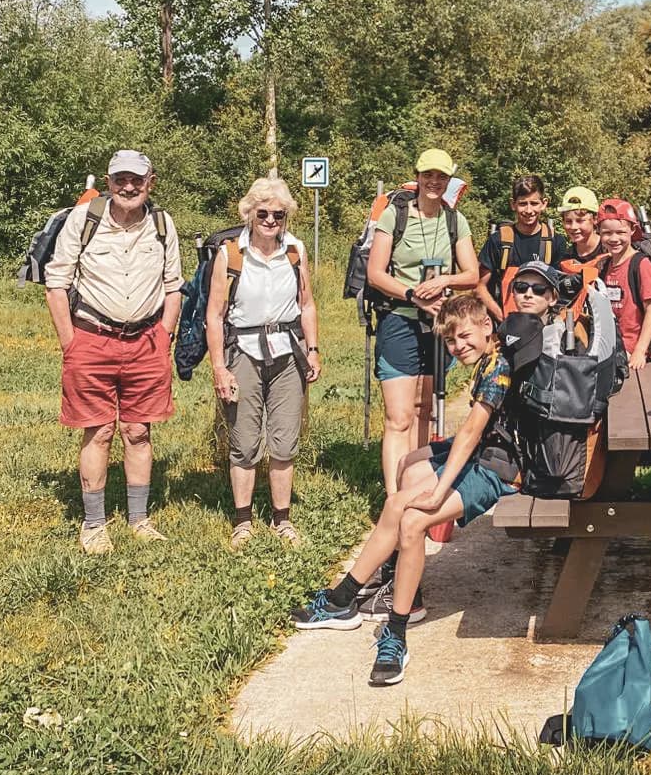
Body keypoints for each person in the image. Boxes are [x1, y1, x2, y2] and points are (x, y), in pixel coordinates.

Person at [289, 293, 537, 686]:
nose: (458, 346)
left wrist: (439, 490)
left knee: (412, 520)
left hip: (498, 469)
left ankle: (397, 631)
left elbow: (473, 431)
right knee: (407, 466)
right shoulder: (491, 355)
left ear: (488, 327)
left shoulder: (499, 369)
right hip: (484, 451)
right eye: (451, 341)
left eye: (464, 336)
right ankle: (353, 594)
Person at [44, 150, 182, 554]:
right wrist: (70, 341)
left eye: (137, 179)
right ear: (109, 181)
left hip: (146, 342)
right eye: (120, 178)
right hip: (91, 339)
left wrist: (165, 335)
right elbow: (56, 282)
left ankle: (140, 519)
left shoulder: (161, 223)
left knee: (139, 431)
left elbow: (174, 285)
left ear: (150, 182)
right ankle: (94, 524)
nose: (128, 186)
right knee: (99, 430)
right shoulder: (84, 220)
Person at [206, 177, 321, 549]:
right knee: (243, 441)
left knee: (285, 441)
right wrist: (219, 368)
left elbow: (307, 304)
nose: (271, 220)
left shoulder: (295, 250)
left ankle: (281, 520)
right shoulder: (231, 254)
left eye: (279, 214)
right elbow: (215, 315)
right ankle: (243, 521)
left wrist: (314, 349)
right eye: (264, 213)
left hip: (288, 353)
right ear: (250, 214)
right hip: (243, 352)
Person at [364, 149, 480, 498]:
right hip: (399, 320)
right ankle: (394, 497)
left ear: (448, 182)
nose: (434, 182)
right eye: (428, 175)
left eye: (441, 177)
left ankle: (414, 485)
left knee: (424, 410)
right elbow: (375, 274)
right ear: (417, 176)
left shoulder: (455, 220)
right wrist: (413, 293)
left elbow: (472, 274)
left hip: (436, 327)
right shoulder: (393, 216)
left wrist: (444, 283)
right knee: (399, 417)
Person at [475, 174, 571, 321]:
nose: (528, 210)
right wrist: (501, 317)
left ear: (544, 203)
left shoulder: (555, 242)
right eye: (522, 203)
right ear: (513, 204)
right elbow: (480, 286)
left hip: (542, 326)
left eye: (534, 203)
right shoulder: (498, 241)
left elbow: (560, 291)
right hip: (503, 324)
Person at [596, 198, 651, 374]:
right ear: (599, 232)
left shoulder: (641, 264)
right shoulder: (604, 265)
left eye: (620, 232)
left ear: (632, 230)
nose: (614, 239)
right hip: (612, 346)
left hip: (636, 348)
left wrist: (640, 351)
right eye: (607, 233)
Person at [556, 186, 605, 270]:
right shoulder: (565, 258)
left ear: (595, 219)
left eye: (580, 221)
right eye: (568, 221)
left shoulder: (609, 251)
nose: (573, 227)